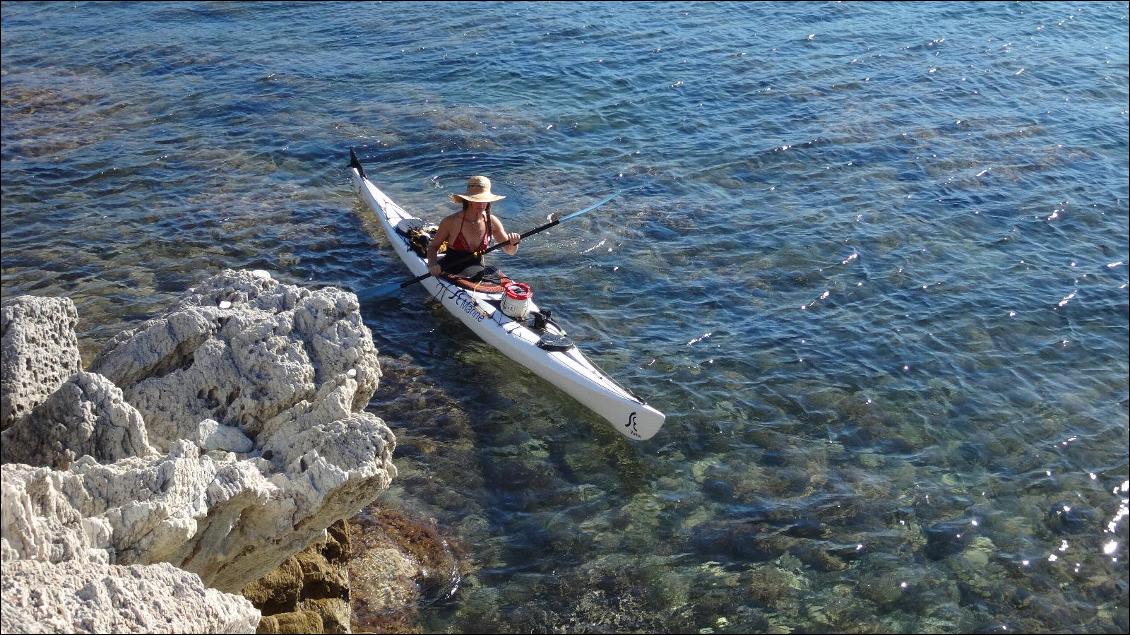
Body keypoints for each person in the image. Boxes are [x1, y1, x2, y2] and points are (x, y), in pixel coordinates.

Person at [427, 175, 520, 278]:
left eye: (484, 200)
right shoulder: (450, 221)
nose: (481, 204)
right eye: (477, 200)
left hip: (476, 268)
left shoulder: (492, 222)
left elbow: (510, 251)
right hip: (450, 267)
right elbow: (433, 247)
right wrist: (432, 265)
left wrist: (514, 243)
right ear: (469, 200)